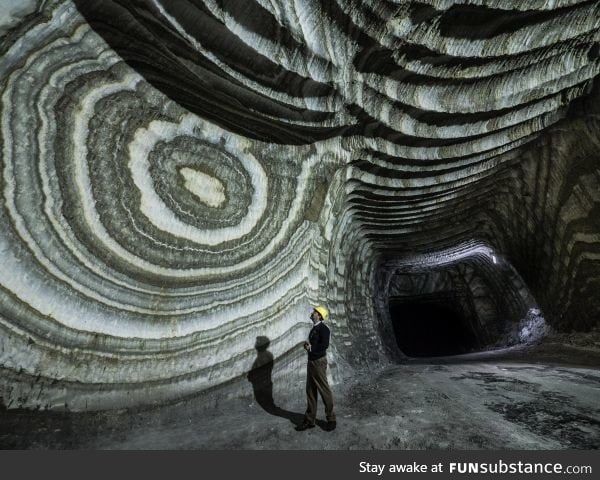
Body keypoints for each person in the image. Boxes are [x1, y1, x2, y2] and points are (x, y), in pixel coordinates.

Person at [296, 305, 336, 431]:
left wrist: (312, 348)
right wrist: (308, 346)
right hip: (312, 362)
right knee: (310, 391)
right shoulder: (314, 329)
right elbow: (315, 344)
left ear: (319, 315)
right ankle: (310, 420)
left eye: (314, 312)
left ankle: (331, 419)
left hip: (318, 362)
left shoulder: (324, 329)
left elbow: (324, 345)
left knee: (324, 390)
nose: (312, 313)